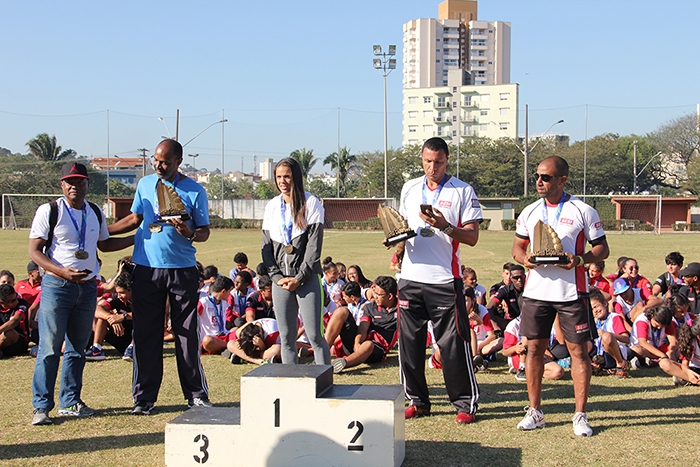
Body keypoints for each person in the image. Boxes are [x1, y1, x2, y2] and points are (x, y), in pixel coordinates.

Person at [107, 139, 211, 415]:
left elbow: (204, 231)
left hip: (182, 271)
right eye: (156, 160)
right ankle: (144, 398)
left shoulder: (195, 190)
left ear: (179, 161)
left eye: (165, 161)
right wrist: (104, 231)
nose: (158, 165)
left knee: (186, 334)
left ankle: (196, 394)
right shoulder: (145, 184)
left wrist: (189, 233)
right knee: (145, 334)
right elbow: (134, 219)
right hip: (146, 268)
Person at [28, 162, 133, 425]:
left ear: (88, 184)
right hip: (56, 287)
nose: (75, 186)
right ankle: (41, 407)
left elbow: (105, 244)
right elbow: (35, 252)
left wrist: (137, 237)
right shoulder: (50, 210)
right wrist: (62, 272)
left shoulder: (95, 211)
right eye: (70, 182)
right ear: (62, 185)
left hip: (87, 287)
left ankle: (71, 402)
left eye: (80, 181)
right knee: (50, 348)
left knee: (77, 348)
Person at [511, 156, 609, 436]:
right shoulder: (529, 211)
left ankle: (579, 415)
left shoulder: (583, 210)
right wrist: (525, 260)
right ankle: (535, 411)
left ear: (562, 180)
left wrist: (578, 260)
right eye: (537, 177)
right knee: (533, 350)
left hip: (571, 293)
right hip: (536, 293)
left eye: (546, 177)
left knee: (579, 352)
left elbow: (602, 249)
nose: (539, 182)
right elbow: (517, 248)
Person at [394, 137, 482, 425]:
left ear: (447, 160)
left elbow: (471, 237)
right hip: (410, 279)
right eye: (428, 162)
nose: (433, 167)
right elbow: (405, 229)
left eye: (439, 162)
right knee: (409, 344)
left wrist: (445, 226)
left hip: (444, 279)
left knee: (453, 343)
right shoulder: (409, 188)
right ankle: (417, 401)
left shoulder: (462, 191)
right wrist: (395, 246)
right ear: (422, 160)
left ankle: (465, 403)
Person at [261, 157, 330, 365]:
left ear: (296, 178)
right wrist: (277, 277)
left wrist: (299, 278)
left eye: (287, 176)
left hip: (306, 279)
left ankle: (324, 385)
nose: (283, 181)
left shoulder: (311, 203)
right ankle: (290, 386)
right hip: (280, 282)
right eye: (279, 177)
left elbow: (313, 248)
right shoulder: (272, 206)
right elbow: (266, 248)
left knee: (315, 336)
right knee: (286, 337)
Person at [332, 276, 399, 374]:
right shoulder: (370, 307)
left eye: (378, 294)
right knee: (342, 311)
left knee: (368, 344)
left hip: (376, 349)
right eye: (374, 292)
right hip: (359, 344)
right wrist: (357, 343)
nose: (374, 296)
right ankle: (321, 353)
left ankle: (343, 363)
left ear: (390, 296)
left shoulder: (401, 310)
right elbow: (362, 329)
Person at [0, 284, 30, 358]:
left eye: (16, 296)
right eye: (12, 301)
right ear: (2, 302)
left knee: (10, 332)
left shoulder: (22, 303)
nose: (16, 301)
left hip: (18, 342)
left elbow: (15, 321)